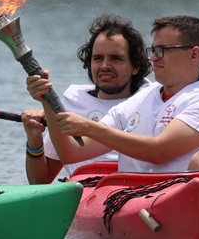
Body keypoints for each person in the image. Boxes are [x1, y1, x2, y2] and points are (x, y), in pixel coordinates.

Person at [26, 14, 199, 174]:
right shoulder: (138, 100)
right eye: (153, 50)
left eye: (162, 50)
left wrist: (89, 127)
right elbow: (72, 153)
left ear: (194, 55)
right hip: (131, 200)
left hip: (175, 201)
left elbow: (158, 152)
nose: (153, 58)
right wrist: (47, 99)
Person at [22, 13, 152, 183]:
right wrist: (34, 140)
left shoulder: (153, 100)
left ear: (136, 66)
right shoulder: (71, 103)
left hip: (136, 191)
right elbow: (40, 182)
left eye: (116, 58)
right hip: (82, 192)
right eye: (98, 58)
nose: (105, 66)